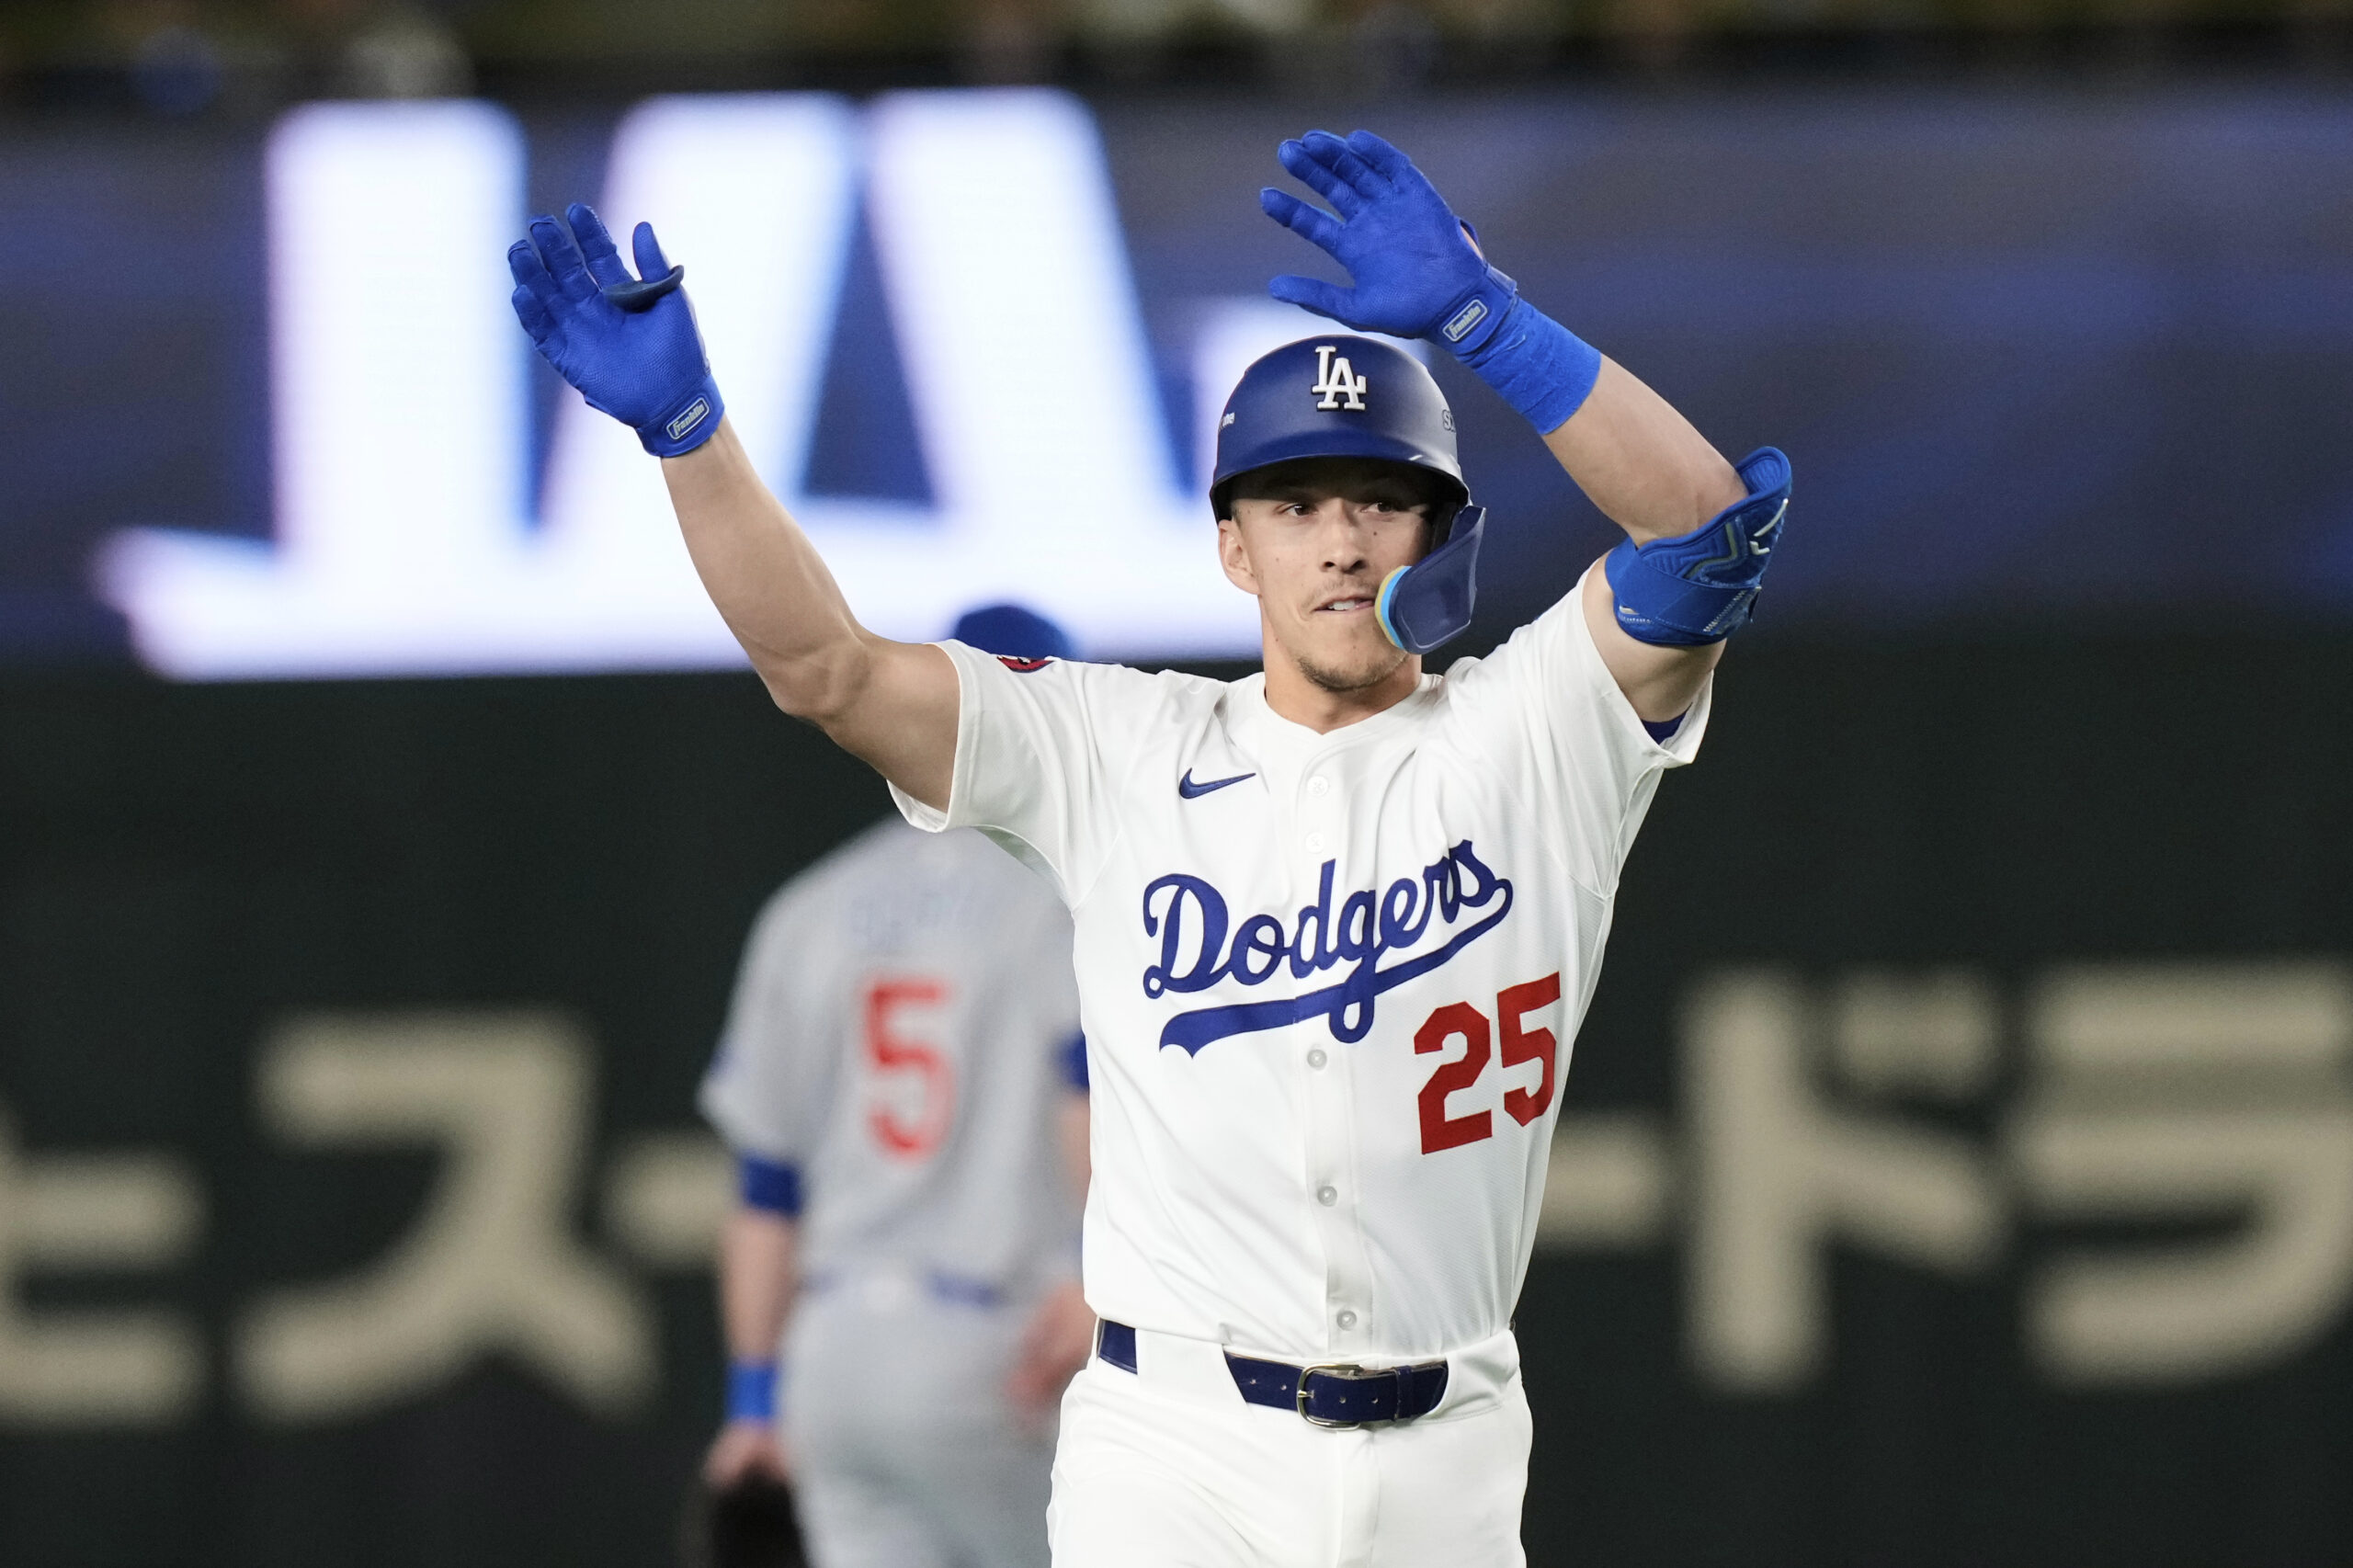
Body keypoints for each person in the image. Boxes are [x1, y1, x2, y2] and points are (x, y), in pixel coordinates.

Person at [513, 127, 1788, 1566]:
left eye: (1383, 499)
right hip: (1176, 1444)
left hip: (1453, 1449)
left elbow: (1712, 528)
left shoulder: (1541, 729)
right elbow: (831, 673)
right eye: (1294, 503)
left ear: (1445, 534)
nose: (1343, 541)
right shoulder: (1118, 748)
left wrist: (1489, 321)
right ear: (1233, 548)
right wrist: (693, 442)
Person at [697, 602, 1097, 1568]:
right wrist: (1103, 1278)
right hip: (998, 1346)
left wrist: (755, 1395)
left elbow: (764, 1190)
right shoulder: (1070, 886)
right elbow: (1087, 1101)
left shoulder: (812, 907)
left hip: (832, 1356)